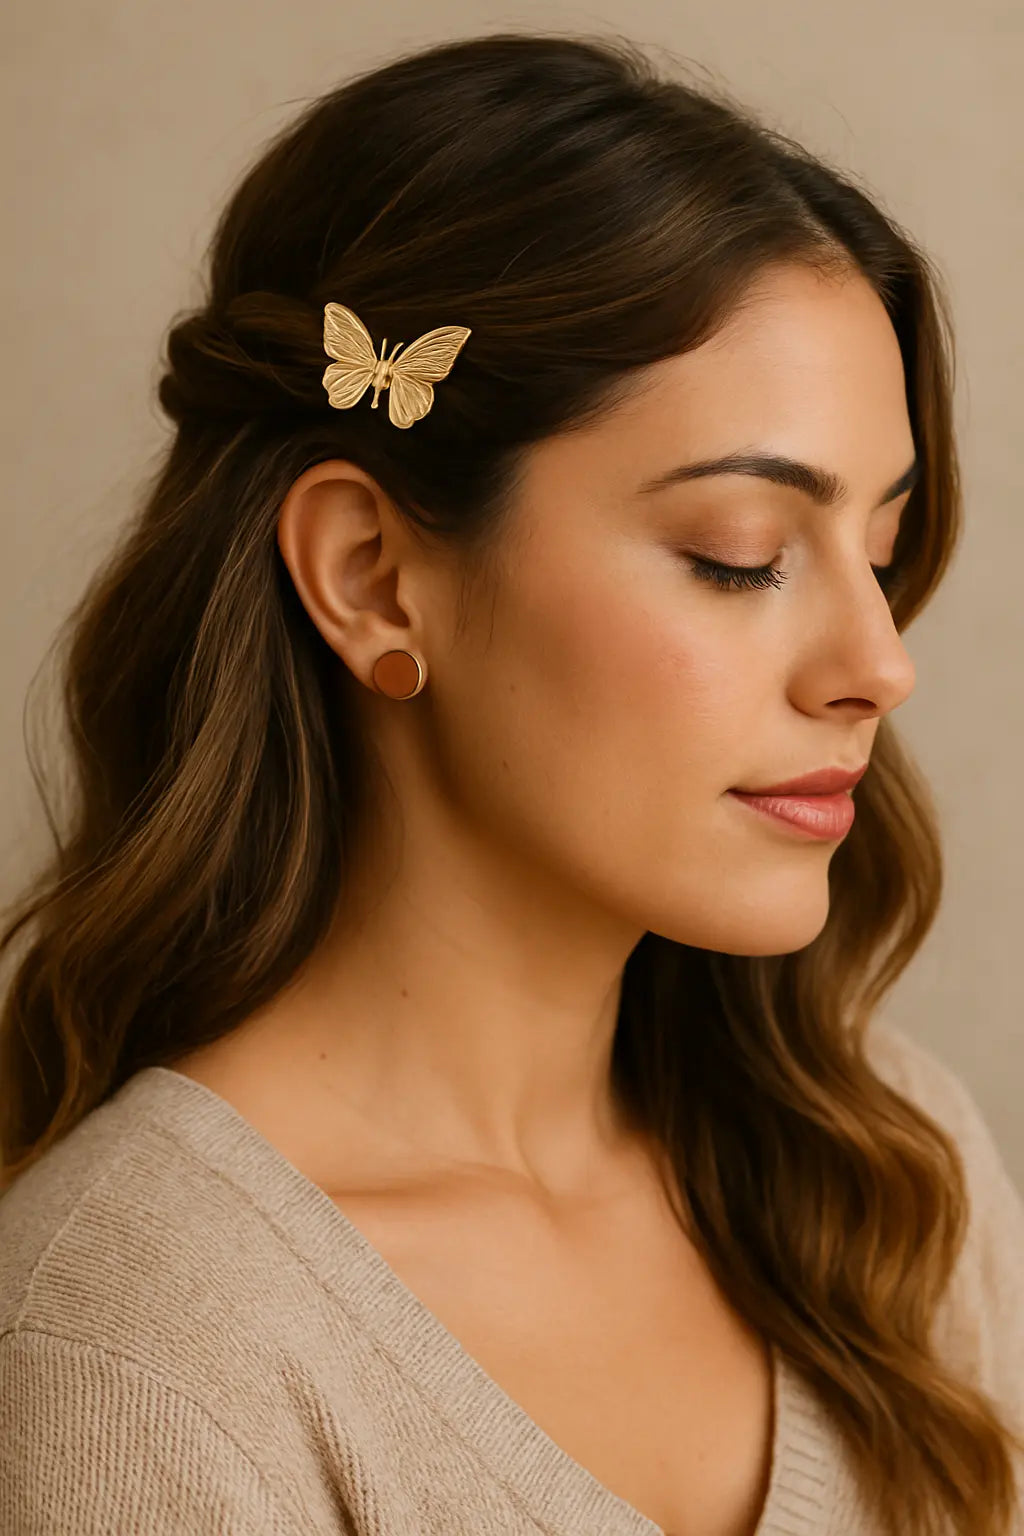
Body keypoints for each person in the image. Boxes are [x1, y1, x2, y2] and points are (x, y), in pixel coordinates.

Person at [1, 29, 1022, 1536]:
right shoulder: (139, 1344)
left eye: (878, 553)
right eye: (739, 555)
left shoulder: (885, 1175)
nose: (877, 663)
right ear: (373, 579)